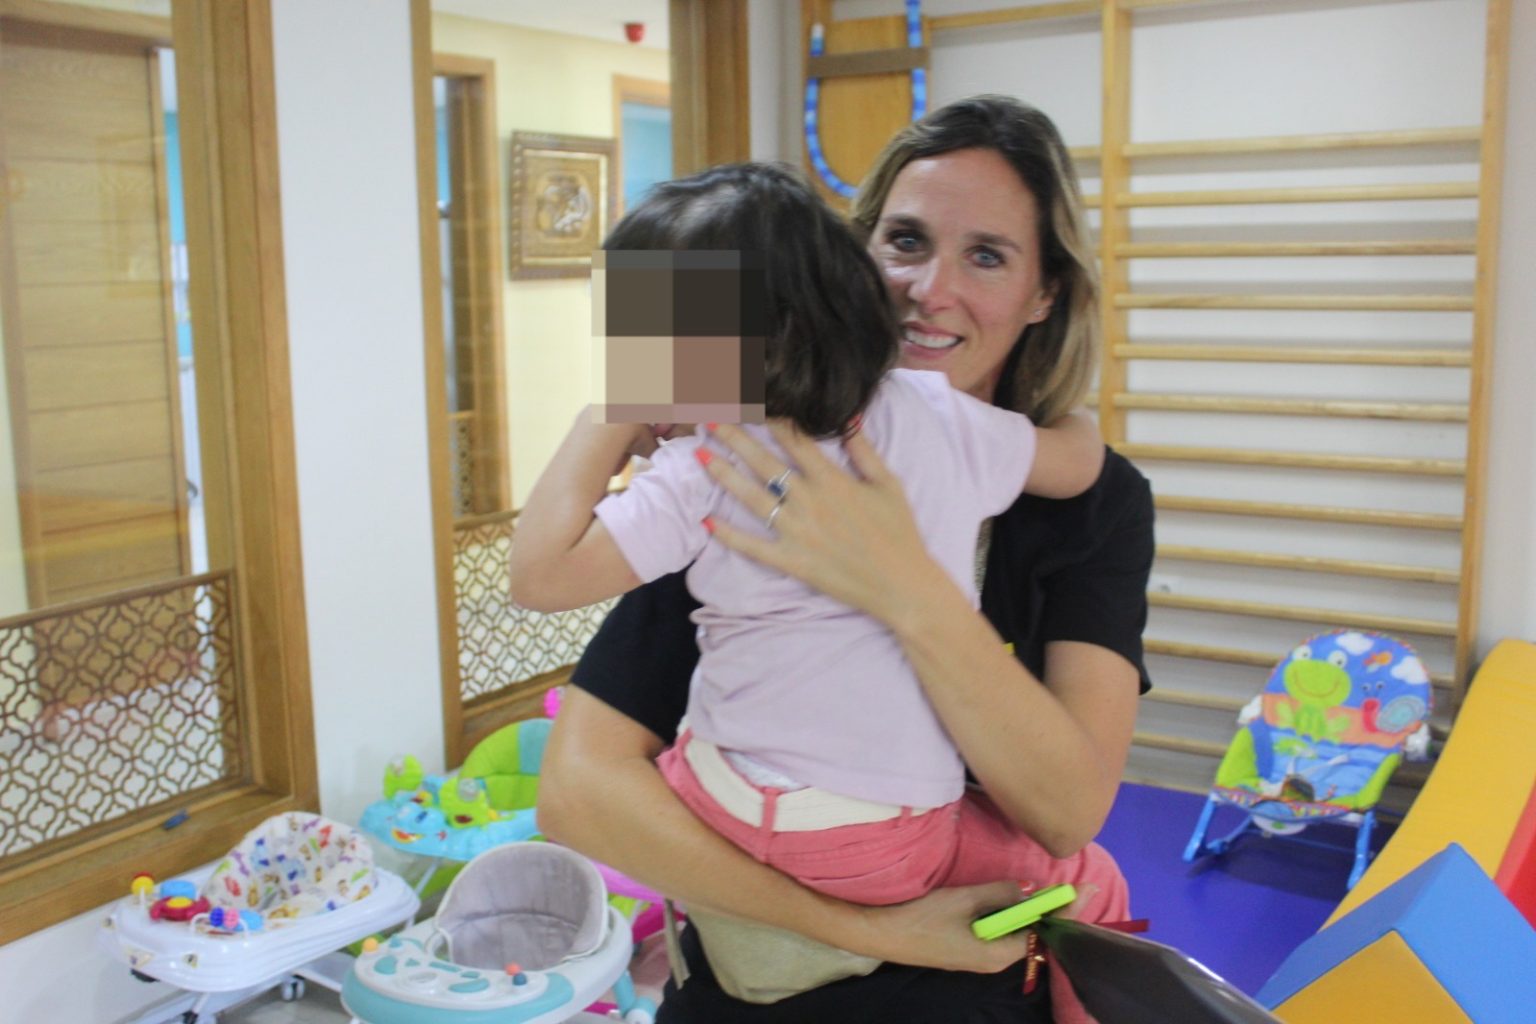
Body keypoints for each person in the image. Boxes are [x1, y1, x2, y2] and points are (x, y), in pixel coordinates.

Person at [535, 95, 1154, 1023]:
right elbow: (578, 793)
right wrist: (879, 930)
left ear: (1045, 294)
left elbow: (1065, 810)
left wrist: (900, 582)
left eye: (987, 255)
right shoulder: (751, 454)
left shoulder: (1094, 508)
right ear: (848, 262)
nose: (929, 290)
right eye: (904, 241)